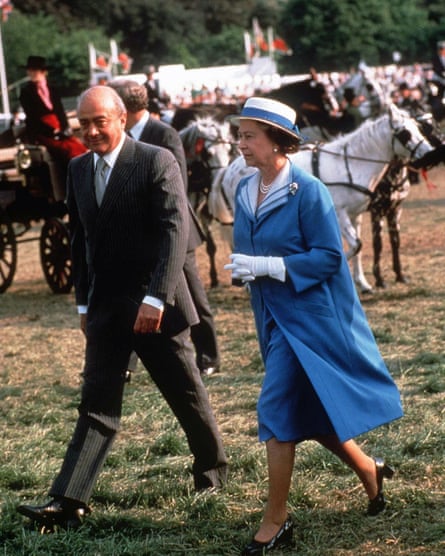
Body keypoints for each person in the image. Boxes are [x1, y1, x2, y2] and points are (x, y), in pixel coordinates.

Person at [17, 85, 228, 531]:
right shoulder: (76, 169)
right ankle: (69, 500)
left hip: (157, 308)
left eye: (100, 122)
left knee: (186, 396)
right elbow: (80, 241)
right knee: (96, 402)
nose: (91, 131)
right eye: (84, 123)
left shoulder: (155, 160)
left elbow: (174, 234)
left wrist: (156, 298)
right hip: (106, 310)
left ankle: (211, 475)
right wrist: (81, 301)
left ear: (121, 119)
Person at [224, 97, 404, 555]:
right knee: (307, 409)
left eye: (249, 136)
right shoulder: (246, 189)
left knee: (275, 407)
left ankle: (276, 521)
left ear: (278, 142)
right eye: (240, 134)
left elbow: (329, 256)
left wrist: (265, 265)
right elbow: (251, 250)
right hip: (271, 317)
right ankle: (369, 470)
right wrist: (244, 268)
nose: (239, 143)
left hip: (310, 320)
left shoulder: (308, 190)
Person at [109, 79, 221, 376]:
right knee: (130, 298)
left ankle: (208, 357)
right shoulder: (120, 136)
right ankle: (126, 363)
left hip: (174, 233)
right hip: (137, 235)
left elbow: (178, 186)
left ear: (124, 107)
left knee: (194, 299)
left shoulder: (164, 134)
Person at [19, 55, 87, 174]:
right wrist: (52, 132)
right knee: (67, 150)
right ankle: (74, 180)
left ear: (44, 72)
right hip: (41, 131)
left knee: (79, 147)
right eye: (30, 70)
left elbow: (60, 112)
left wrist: (64, 128)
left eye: (36, 71)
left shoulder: (53, 89)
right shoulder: (26, 92)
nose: (32, 73)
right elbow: (32, 118)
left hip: (58, 128)